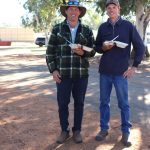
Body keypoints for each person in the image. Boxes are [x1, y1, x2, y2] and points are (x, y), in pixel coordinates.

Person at [94, 0, 145, 147]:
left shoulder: (128, 26)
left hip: (121, 73)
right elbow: (97, 47)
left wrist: (134, 67)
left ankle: (126, 132)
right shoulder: (103, 27)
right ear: (106, 10)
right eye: (108, 8)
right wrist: (103, 47)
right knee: (104, 103)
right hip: (104, 71)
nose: (111, 10)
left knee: (124, 104)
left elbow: (140, 47)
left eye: (113, 7)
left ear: (119, 8)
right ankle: (104, 129)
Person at [46, 0, 95, 144]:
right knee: (62, 103)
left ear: (80, 12)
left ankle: (77, 131)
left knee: (79, 103)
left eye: (76, 9)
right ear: (66, 11)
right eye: (71, 9)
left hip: (81, 74)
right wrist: (53, 70)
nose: (73, 12)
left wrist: (82, 53)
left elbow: (92, 51)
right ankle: (64, 130)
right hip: (63, 74)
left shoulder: (87, 29)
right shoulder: (57, 29)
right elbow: (50, 52)